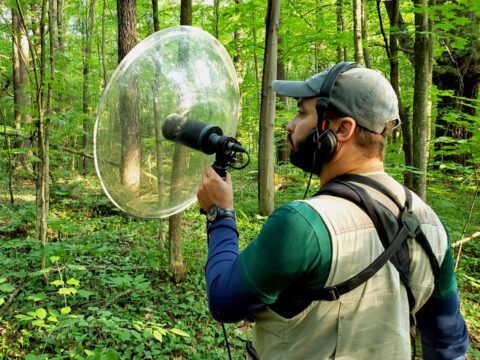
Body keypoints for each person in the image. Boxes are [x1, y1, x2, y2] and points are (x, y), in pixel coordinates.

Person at [196, 62, 469, 359]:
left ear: (341, 129)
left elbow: (224, 301)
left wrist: (219, 214)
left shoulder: (303, 224)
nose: (289, 125)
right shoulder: (431, 224)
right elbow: (448, 343)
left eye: (302, 113)